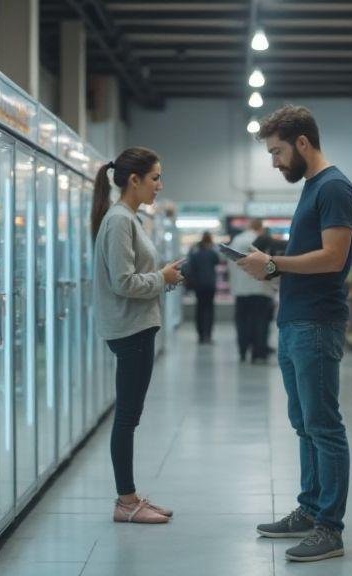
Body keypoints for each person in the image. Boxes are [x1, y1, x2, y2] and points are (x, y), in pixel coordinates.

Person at [238, 105, 352, 563]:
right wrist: (267, 264)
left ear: (302, 143)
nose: (274, 161)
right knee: (304, 424)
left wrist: (272, 263)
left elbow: (332, 257)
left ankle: (330, 527)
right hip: (294, 320)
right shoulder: (313, 188)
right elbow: (311, 253)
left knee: (324, 426)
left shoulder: (335, 188)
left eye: (277, 152)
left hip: (316, 322)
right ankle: (310, 510)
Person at [92, 147, 185, 524]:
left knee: (131, 415)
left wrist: (162, 278)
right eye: (155, 178)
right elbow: (123, 281)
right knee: (127, 416)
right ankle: (125, 502)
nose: (160, 186)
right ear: (134, 180)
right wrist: (161, 278)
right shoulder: (119, 221)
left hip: (137, 326)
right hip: (131, 329)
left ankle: (130, 496)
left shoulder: (128, 218)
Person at [228, 219, 275, 363]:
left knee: (242, 322)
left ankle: (242, 351)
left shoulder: (236, 240)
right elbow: (271, 265)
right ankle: (258, 353)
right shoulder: (262, 240)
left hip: (240, 290)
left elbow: (231, 265)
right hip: (261, 289)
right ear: (260, 228)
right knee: (260, 322)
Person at [186, 232, 221, 344]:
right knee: (209, 310)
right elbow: (218, 261)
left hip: (199, 285)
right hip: (210, 285)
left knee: (200, 309)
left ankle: (201, 335)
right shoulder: (212, 253)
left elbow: (190, 267)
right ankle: (208, 335)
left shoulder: (195, 254)